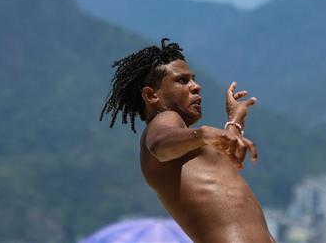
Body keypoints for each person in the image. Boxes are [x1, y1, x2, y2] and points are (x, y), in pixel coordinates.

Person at [100, 38, 275, 242]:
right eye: (183, 80)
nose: (196, 86)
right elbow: (160, 144)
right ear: (151, 96)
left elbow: (223, 173)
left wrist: (234, 122)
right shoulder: (164, 121)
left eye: (193, 79)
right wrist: (204, 133)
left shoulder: (188, 145)